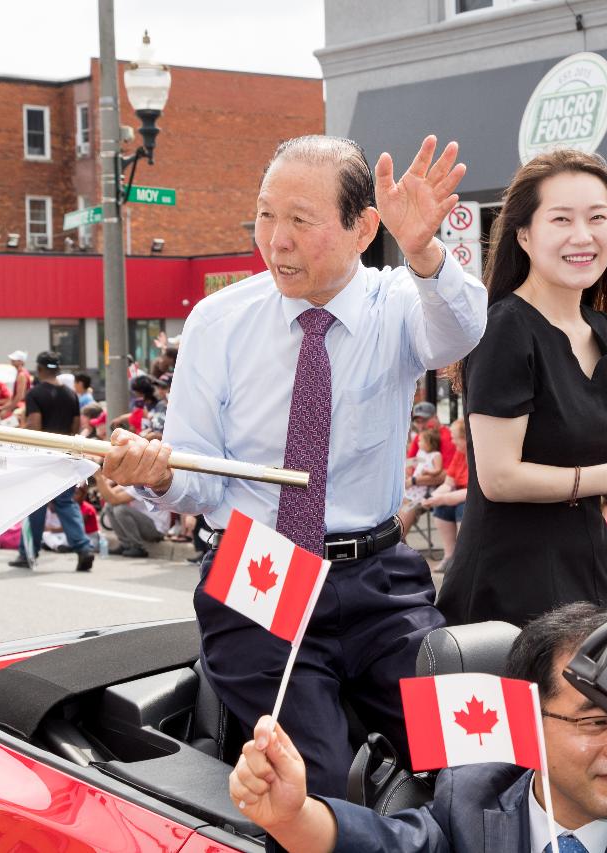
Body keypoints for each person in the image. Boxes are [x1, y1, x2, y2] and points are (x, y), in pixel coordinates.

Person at [101, 134, 486, 799]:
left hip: (379, 578)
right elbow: (199, 480)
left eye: (300, 221)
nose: (275, 239)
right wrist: (158, 472)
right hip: (261, 569)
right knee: (314, 789)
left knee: (482, 749)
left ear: (364, 227)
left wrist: (425, 251)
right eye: (265, 215)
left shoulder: (397, 300)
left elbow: (461, 330)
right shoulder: (218, 322)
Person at [229, 603, 607, 853]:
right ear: (527, 723)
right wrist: (291, 815)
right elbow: (383, 843)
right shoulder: (470, 800)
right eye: (597, 722)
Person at [436, 148, 607, 628]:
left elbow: (578, 452)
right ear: (524, 235)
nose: (583, 235)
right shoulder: (504, 328)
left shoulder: (602, 329)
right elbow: (499, 478)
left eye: (598, 217)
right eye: (561, 220)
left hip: (590, 571)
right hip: (513, 589)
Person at [8, 351, 93, 572]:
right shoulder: (71, 394)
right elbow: (75, 427)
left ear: (40, 368)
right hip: (65, 453)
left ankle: (28, 553)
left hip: (43, 455)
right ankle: (83, 548)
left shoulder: (35, 393)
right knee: (65, 503)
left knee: (36, 505)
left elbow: (35, 426)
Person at [419, 419, 469, 564]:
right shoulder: (460, 453)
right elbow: (448, 484)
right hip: (457, 496)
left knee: (463, 508)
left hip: (469, 499)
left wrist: (441, 499)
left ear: (465, 438)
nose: (452, 442)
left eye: (454, 438)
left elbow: (472, 492)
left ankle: (463, 557)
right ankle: (449, 556)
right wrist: (432, 497)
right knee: (441, 509)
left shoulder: (477, 456)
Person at [96, 475, 170, 557]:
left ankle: (138, 547)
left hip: (157, 530)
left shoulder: (144, 483)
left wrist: (99, 478)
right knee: (109, 506)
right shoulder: (132, 480)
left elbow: (114, 499)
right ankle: (126, 545)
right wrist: (106, 481)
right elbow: (107, 495)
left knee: (120, 509)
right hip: (145, 523)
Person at [399, 427, 444, 531]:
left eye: (420, 441)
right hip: (413, 489)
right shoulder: (422, 454)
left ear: (429, 442)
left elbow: (438, 470)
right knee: (397, 508)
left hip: (424, 492)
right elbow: (410, 462)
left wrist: (429, 472)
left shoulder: (435, 455)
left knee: (406, 509)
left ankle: (399, 534)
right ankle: (397, 537)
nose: (418, 442)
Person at [406, 400, 457, 471]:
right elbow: (409, 463)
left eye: (424, 420)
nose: (421, 426)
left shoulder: (447, 437)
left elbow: (448, 472)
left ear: (435, 417)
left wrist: (413, 481)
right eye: (417, 422)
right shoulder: (420, 436)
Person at [0, 349, 32, 420]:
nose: (12, 361)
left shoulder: (21, 375)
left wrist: (9, 409)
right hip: (20, 404)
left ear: (20, 362)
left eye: (14, 360)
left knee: (3, 416)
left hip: (21, 405)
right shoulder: (22, 373)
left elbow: (20, 396)